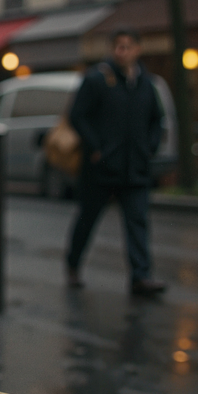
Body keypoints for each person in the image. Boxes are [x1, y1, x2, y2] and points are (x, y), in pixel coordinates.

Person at [65, 29, 167, 296]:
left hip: (135, 168)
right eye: (118, 46)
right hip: (101, 168)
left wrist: (150, 147)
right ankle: (73, 264)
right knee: (88, 218)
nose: (122, 51)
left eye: (127, 46)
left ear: (138, 49)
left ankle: (140, 276)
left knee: (138, 222)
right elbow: (78, 116)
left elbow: (157, 119)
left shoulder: (146, 83)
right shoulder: (98, 79)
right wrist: (97, 148)